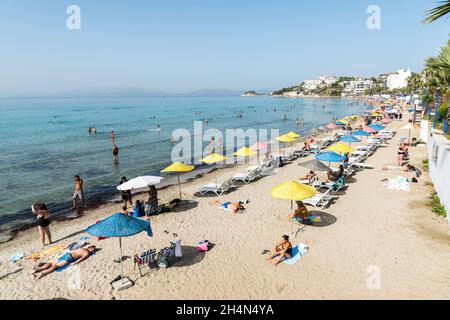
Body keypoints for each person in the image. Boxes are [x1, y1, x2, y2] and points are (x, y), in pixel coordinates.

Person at [30, 246, 96, 280]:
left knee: (51, 263)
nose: (93, 251)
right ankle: (43, 273)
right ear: (91, 250)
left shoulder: (83, 248)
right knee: (56, 266)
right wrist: (75, 263)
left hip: (67, 254)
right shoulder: (87, 253)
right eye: (93, 250)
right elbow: (82, 258)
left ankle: (37, 269)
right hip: (70, 258)